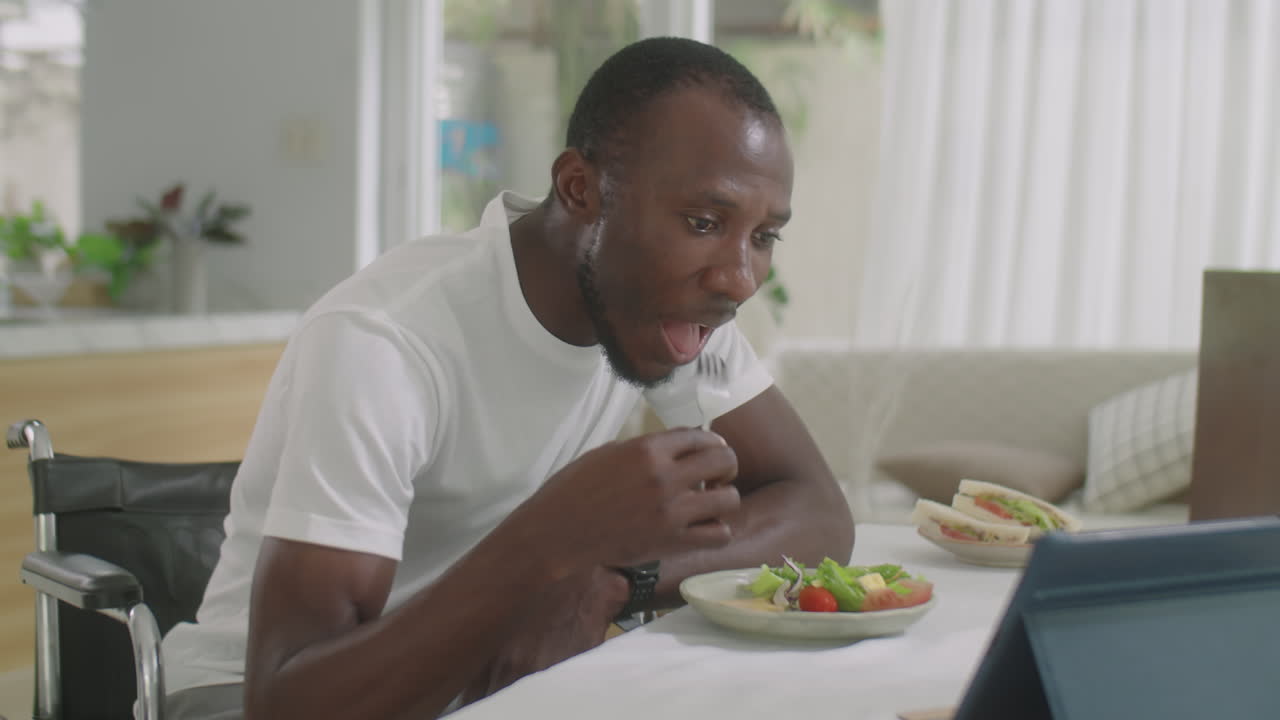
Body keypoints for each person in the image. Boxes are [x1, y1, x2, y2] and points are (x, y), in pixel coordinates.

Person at [161, 36, 854, 720]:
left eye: (764, 237)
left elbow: (818, 511)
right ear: (581, 189)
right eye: (703, 222)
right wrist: (548, 547)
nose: (739, 278)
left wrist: (611, 578)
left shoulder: (674, 312)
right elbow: (287, 704)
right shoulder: (386, 343)